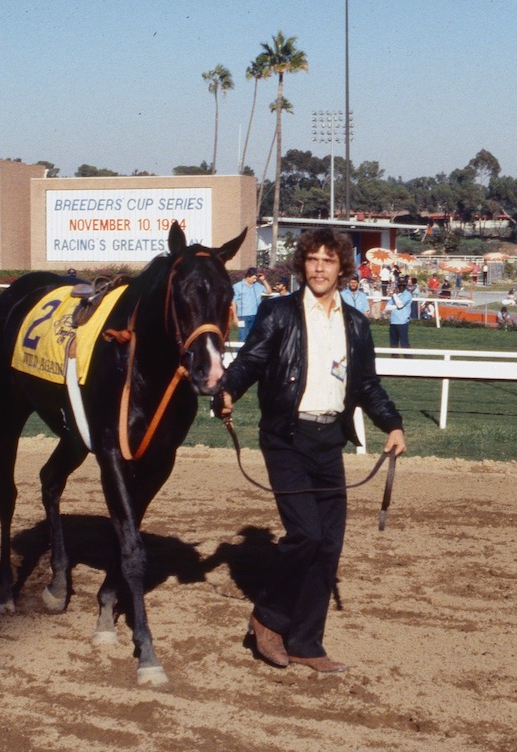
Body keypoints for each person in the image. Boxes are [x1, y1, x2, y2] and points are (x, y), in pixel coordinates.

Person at [215, 227, 406, 674]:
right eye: (313, 260)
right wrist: (228, 389)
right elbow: (252, 361)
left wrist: (392, 424)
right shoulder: (278, 311)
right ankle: (267, 618)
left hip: (328, 441)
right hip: (285, 437)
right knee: (307, 535)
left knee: (328, 546)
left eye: (329, 260)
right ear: (303, 265)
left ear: (341, 268)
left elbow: (367, 385)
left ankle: (305, 641)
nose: (320, 268)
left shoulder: (356, 323)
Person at [232, 268, 269, 340]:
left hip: (255, 316)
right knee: (242, 338)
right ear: (248, 276)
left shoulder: (257, 285)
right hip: (243, 317)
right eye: (254, 278)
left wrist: (264, 280)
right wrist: (235, 317)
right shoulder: (237, 286)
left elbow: (269, 291)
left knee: (255, 338)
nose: (255, 280)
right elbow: (233, 302)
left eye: (256, 278)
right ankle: (241, 351)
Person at [385, 276, 414, 355]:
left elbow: (400, 305)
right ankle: (394, 361)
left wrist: (394, 295)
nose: (401, 287)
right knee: (393, 345)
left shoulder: (408, 295)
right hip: (393, 322)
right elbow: (387, 307)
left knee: (404, 344)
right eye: (400, 285)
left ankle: (408, 361)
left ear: (405, 286)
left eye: (403, 285)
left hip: (402, 323)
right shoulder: (396, 295)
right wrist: (395, 305)